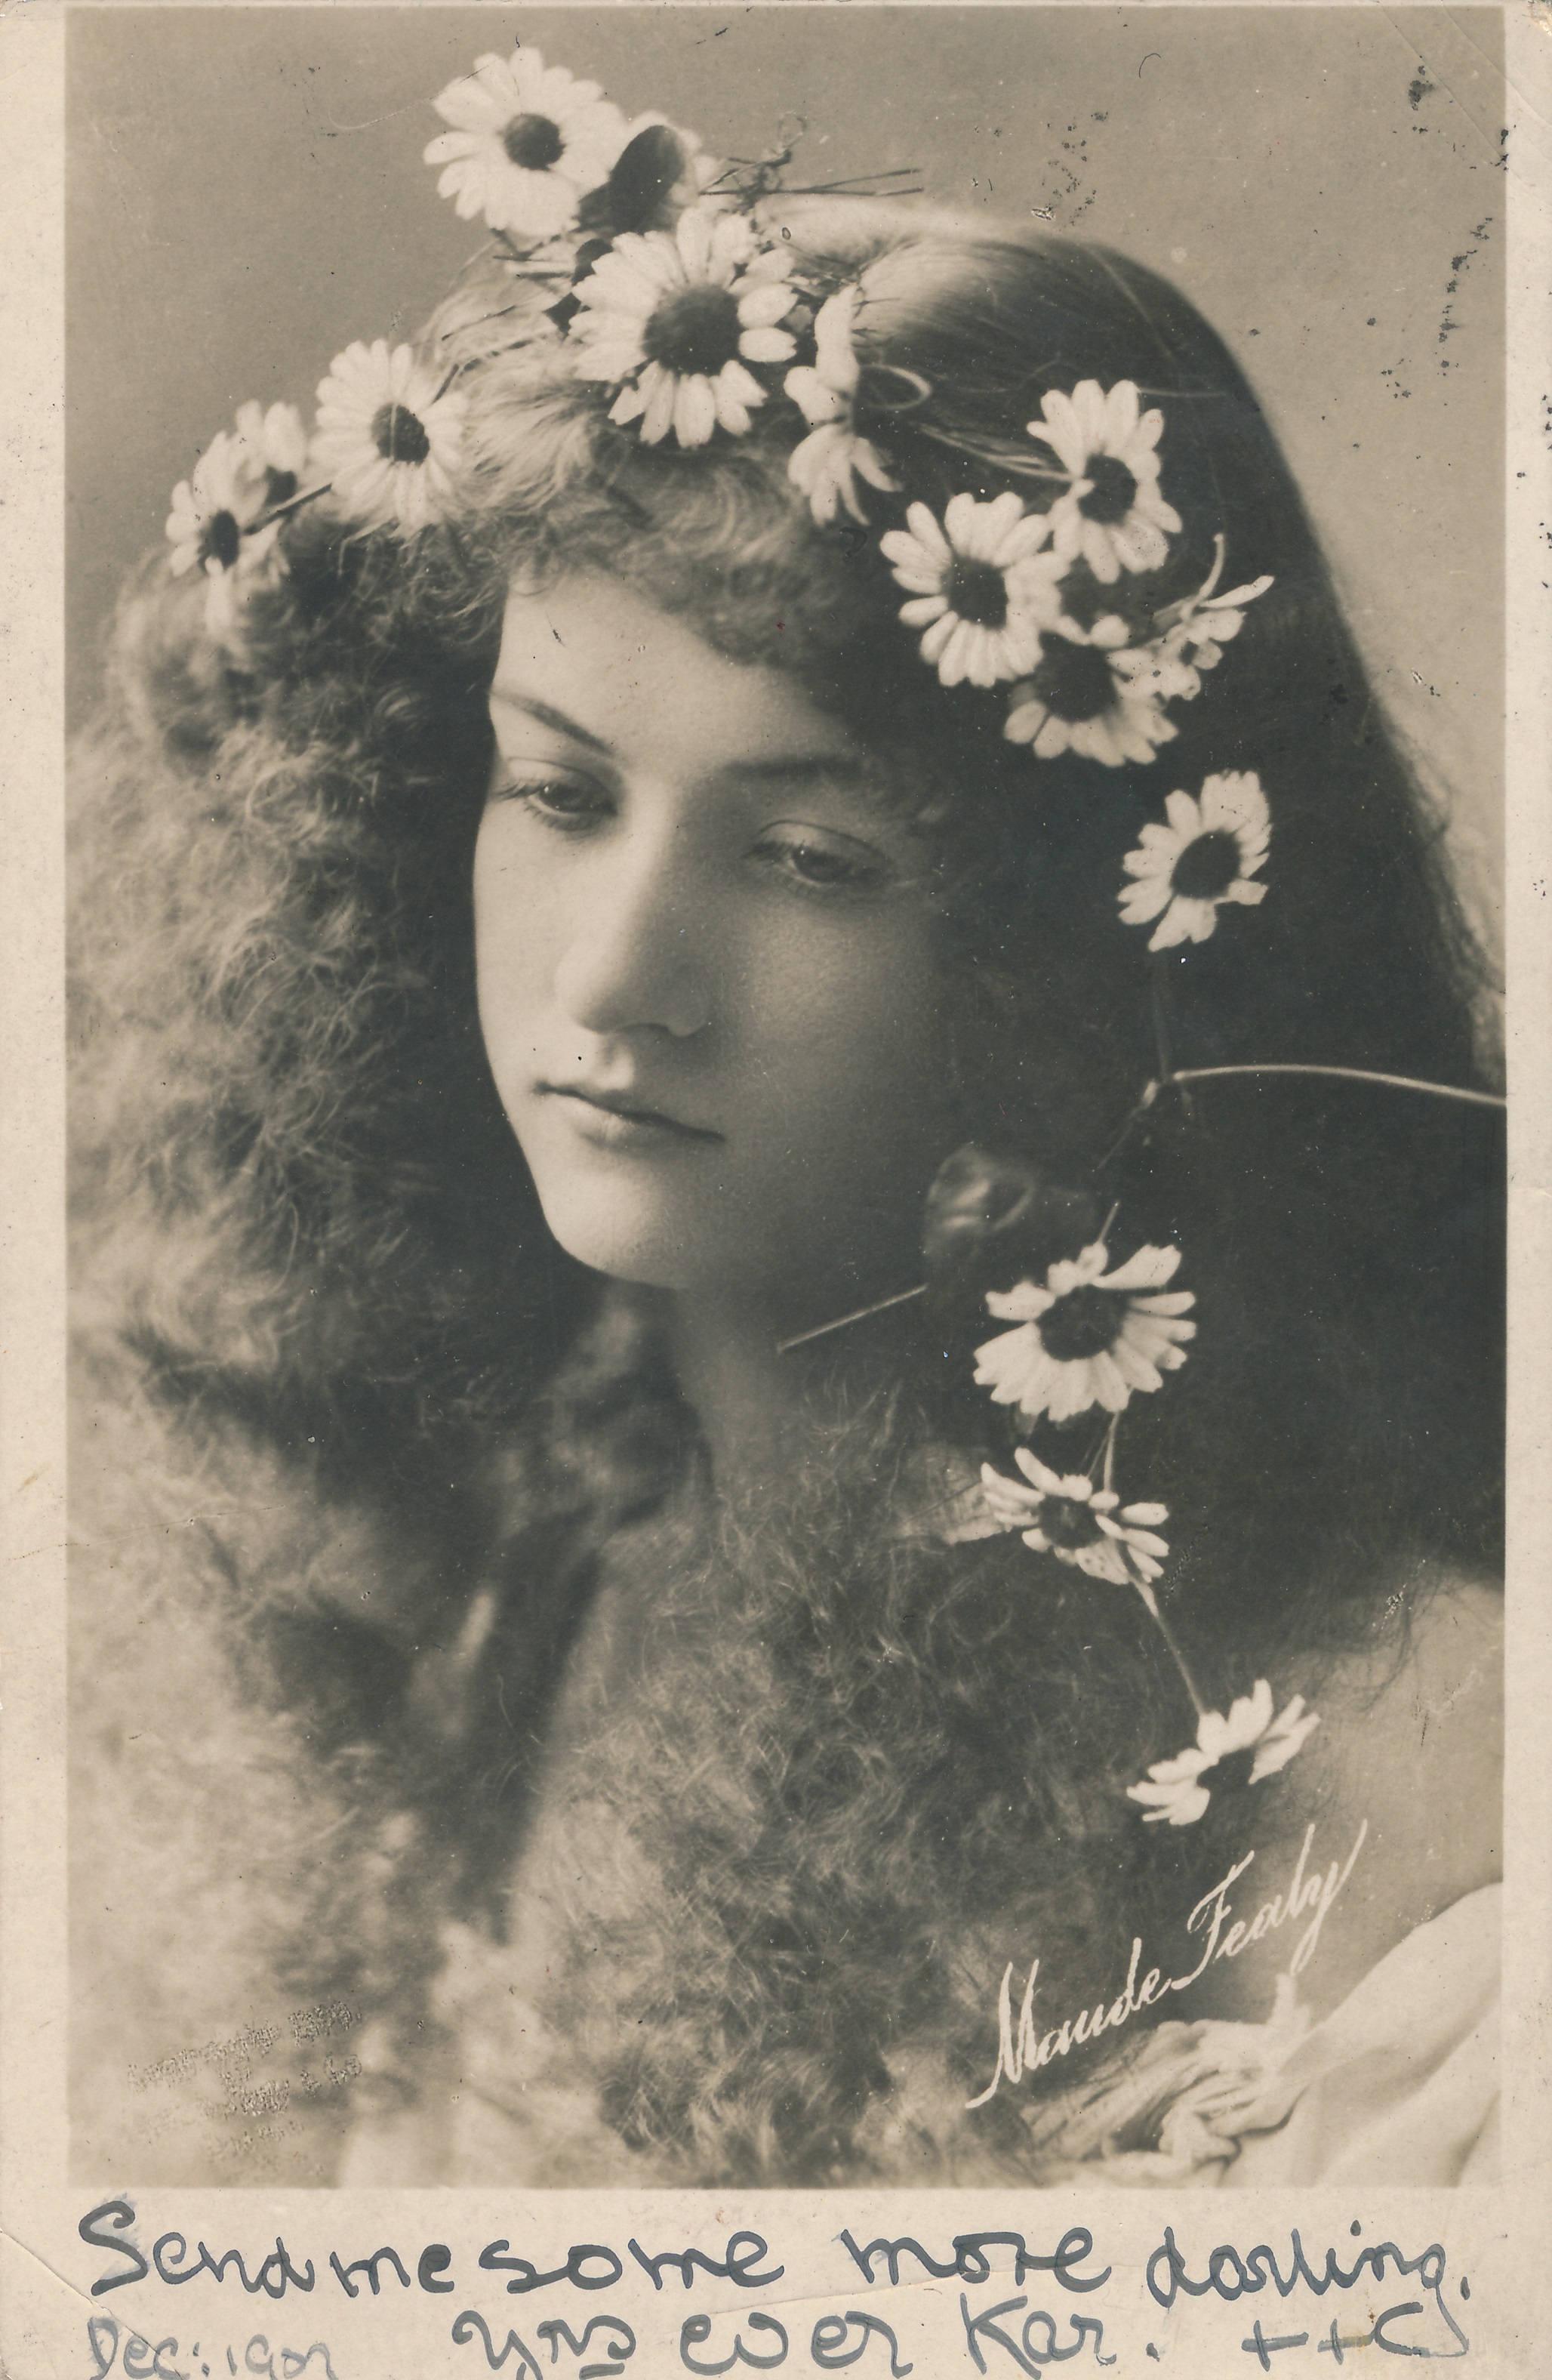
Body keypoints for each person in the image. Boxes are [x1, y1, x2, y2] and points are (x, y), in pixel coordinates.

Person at [68, 45, 1504, 2189]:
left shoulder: (1410, 1783)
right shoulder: (468, 1532)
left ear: (1075, 955)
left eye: (814, 858)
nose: (616, 976)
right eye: (557, 792)